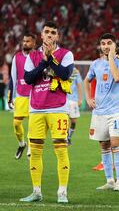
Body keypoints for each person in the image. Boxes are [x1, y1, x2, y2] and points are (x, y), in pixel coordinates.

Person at [20, 21, 74, 203]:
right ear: (41, 35)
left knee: (61, 151)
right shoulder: (33, 56)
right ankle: (36, 191)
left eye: (53, 32)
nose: (50, 35)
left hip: (58, 108)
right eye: (47, 32)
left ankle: (62, 192)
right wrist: (43, 61)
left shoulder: (66, 54)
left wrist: (50, 58)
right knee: (35, 151)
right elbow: (28, 78)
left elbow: (65, 74)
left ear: (57, 36)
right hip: (36, 109)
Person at [84, 33, 119, 191]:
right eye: (103, 43)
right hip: (99, 112)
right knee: (103, 145)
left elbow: (117, 77)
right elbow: (86, 80)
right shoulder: (95, 64)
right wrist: (88, 98)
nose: (105, 46)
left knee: (116, 144)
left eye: (109, 43)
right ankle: (109, 181)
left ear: (115, 45)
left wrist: (111, 57)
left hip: (115, 111)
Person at [8, 33, 36, 159]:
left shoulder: (37, 56)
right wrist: (10, 97)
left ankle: (30, 147)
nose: (25, 43)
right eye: (24, 41)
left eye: (28, 41)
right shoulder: (17, 57)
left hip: (34, 95)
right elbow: (13, 78)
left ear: (34, 43)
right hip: (20, 95)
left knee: (32, 124)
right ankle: (21, 144)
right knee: (16, 123)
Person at [66, 67, 83, 145]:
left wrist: (80, 99)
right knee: (65, 120)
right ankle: (65, 138)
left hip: (73, 99)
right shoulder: (60, 68)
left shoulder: (75, 71)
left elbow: (79, 85)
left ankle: (68, 136)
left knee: (73, 121)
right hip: (64, 100)